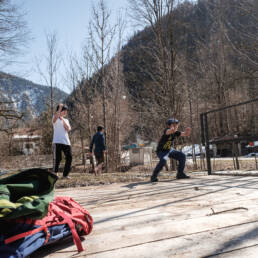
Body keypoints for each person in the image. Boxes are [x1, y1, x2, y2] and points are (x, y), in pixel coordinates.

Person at [151, 118, 191, 182]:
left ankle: (180, 174)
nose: (176, 127)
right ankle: (153, 176)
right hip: (162, 151)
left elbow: (184, 134)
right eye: (174, 125)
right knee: (163, 160)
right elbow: (168, 132)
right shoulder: (166, 130)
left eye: (177, 125)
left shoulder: (176, 132)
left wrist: (187, 132)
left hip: (169, 150)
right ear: (169, 126)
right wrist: (171, 130)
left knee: (182, 156)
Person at [52, 103, 72, 179]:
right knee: (58, 158)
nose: (65, 112)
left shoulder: (66, 120)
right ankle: (55, 174)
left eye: (66, 111)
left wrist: (62, 119)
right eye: (64, 111)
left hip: (66, 142)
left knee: (69, 157)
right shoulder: (54, 117)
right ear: (60, 111)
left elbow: (68, 129)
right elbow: (54, 120)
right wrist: (59, 109)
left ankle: (65, 175)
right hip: (57, 141)